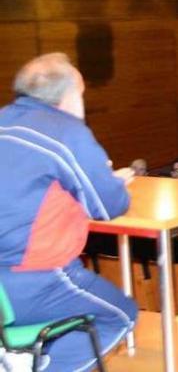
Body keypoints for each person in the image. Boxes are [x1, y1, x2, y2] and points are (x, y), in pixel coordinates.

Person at [0, 53, 137, 371]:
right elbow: (109, 206)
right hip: (38, 279)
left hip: (4, 291)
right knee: (119, 315)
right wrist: (111, 183)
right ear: (69, 96)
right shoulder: (65, 131)